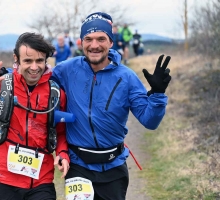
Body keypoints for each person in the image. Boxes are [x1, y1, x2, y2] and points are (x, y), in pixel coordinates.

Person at [51, 12, 171, 200]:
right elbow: (34, 75)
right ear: (81, 42)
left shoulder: (127, 77)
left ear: (111, 42)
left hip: (113, 168)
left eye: (101, 39)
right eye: (88, 39)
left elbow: (150, 121)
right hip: (78, 166)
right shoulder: (66, 69)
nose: (94, 45)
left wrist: (157, 94)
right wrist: (3, 75)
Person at [0, 32, 70, 200]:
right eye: (28, 61)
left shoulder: (56, 93)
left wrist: (62, 154)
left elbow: (60, 132)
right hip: (3, 179)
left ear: (46, 60)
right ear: (16, 59)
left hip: (41, 181)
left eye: (39, 61)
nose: (34, 67)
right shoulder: (1, 86)